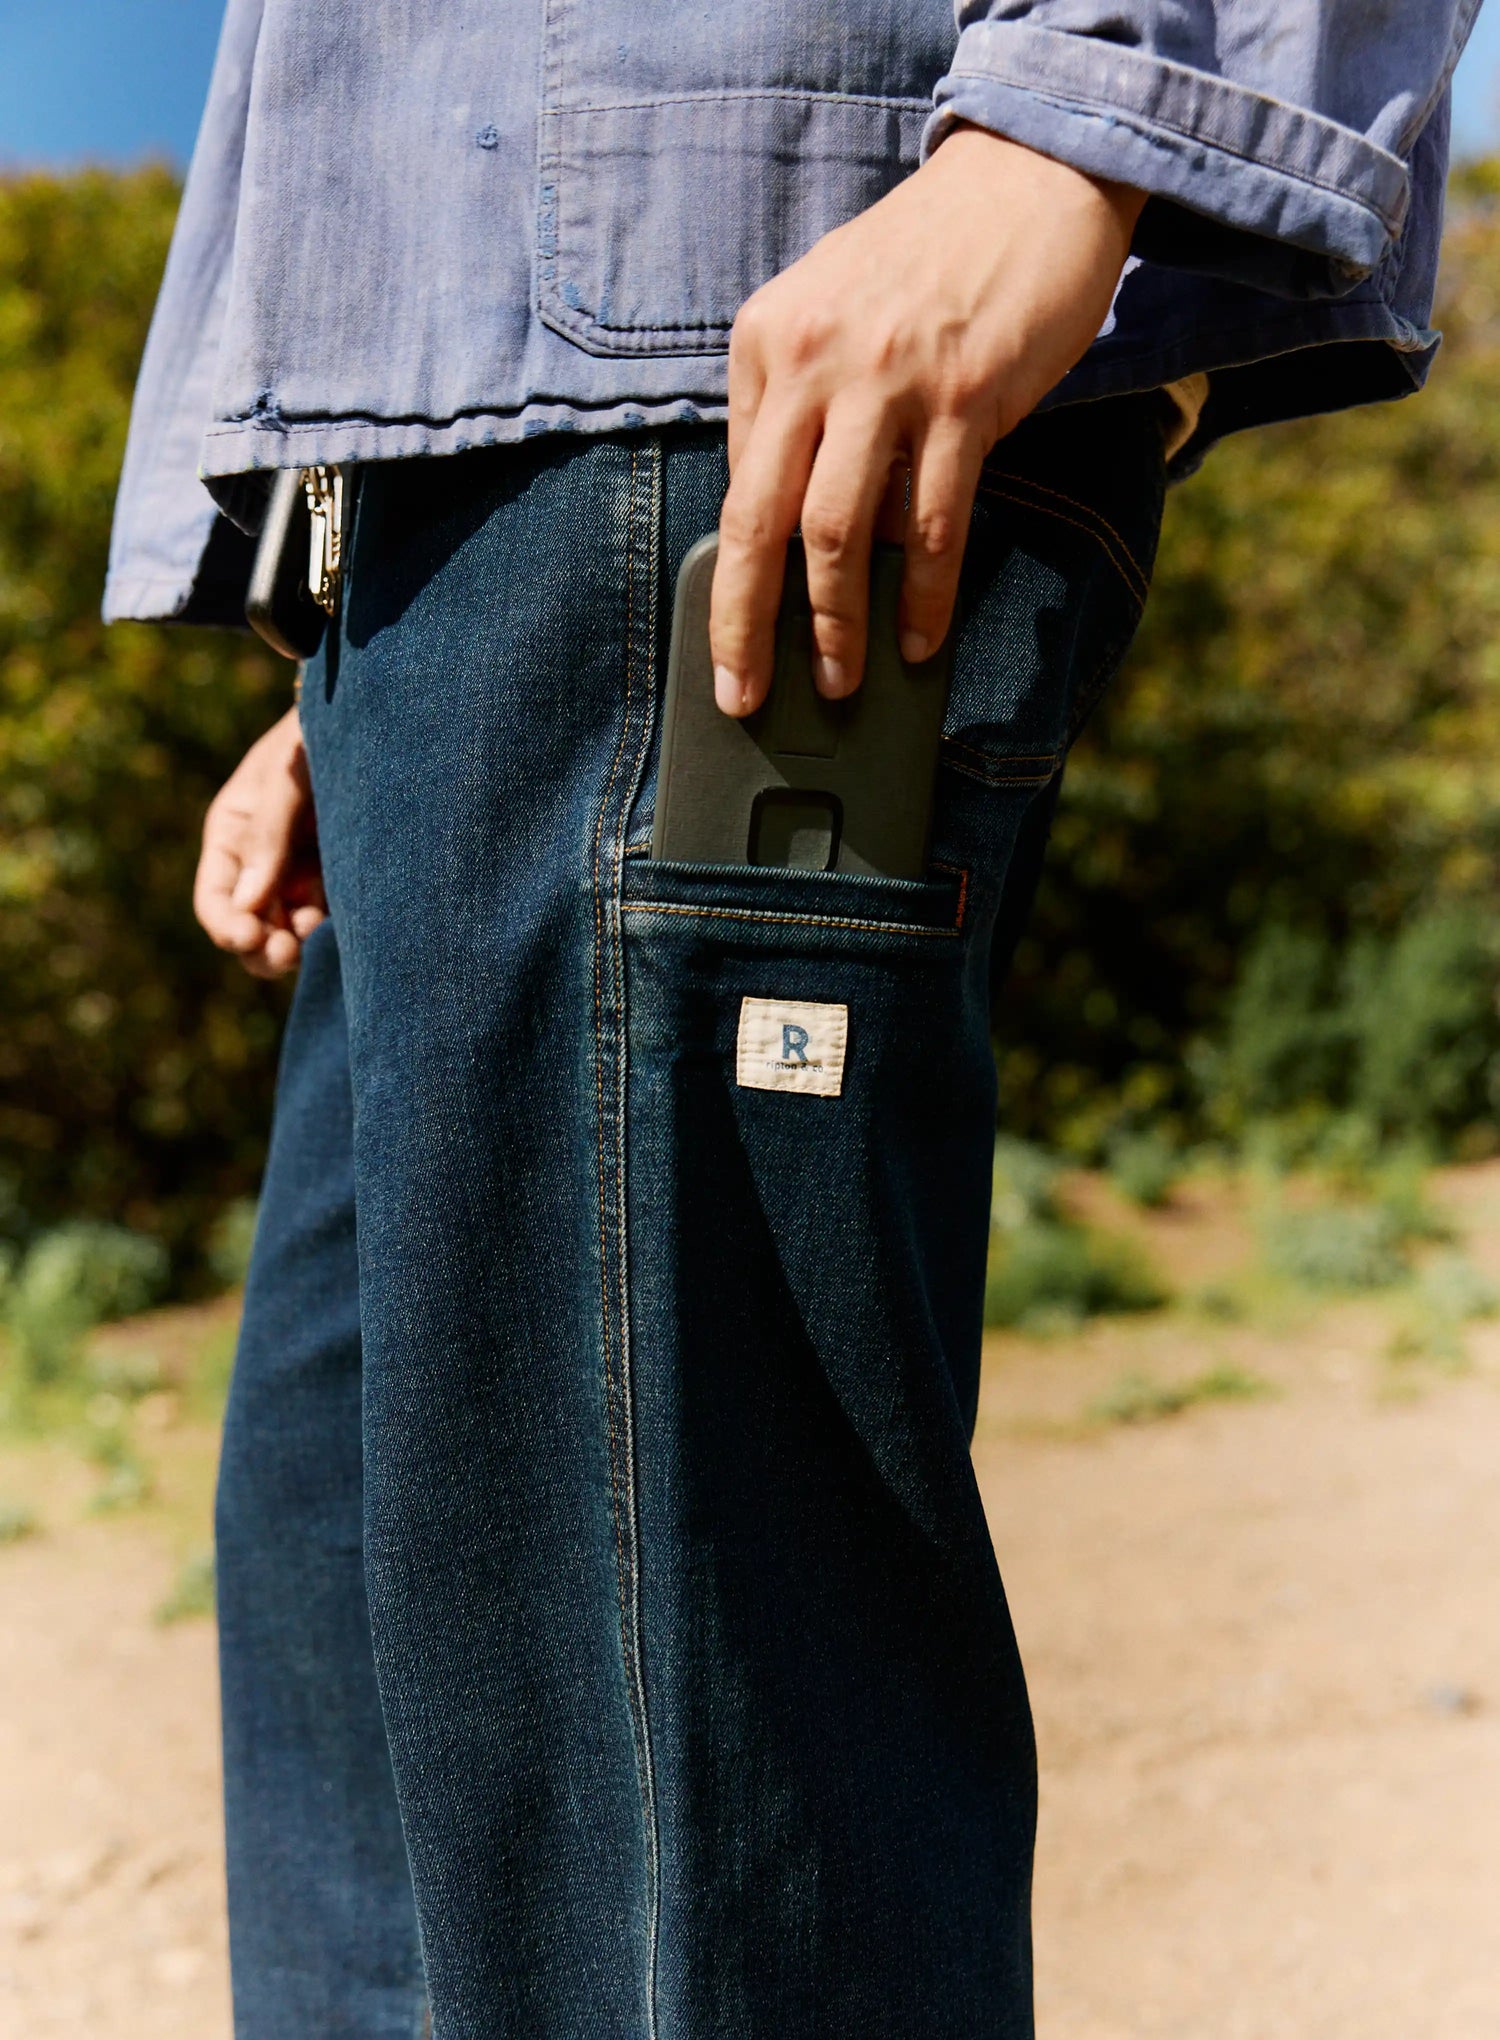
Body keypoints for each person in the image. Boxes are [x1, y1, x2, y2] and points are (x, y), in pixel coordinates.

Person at [107, 5, 1472, 2034]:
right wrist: (349, 646)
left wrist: (1076, 135)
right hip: (446, 537)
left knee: (672, 1820)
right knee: (385, 1727)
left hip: (716, 442)